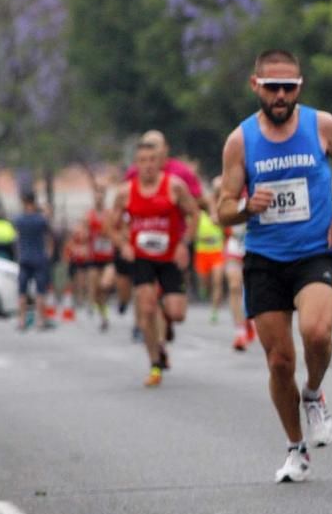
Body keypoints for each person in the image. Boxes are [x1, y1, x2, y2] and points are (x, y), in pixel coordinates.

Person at [217, 48, 332, 484]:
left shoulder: (322, 125)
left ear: (299, 87)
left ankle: (314, 392)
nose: (281, 96)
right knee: (280, 360)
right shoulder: (240, 141)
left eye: (289, 88)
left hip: (313, 252)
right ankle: (295, 448)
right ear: (255, 86)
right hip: (265, 259)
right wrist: (246, 207)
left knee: (317, 333)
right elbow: (222, 208)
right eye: (272, 88)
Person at [110, 140, 201, 386]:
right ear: (136, 164)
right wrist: (124, 245)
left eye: (153, 160)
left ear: (160, 162)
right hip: (142, 258)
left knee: (177, 313)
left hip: (170, 257)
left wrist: (184, 244)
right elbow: (111, 224)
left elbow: (194, 214)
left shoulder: (174, 187)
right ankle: (155, 363)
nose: (148, 166)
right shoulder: (126, 192)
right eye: (143, 161)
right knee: (146, 309)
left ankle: (166, 317)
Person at [212, 175, 256, 352]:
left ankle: (250, 320)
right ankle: (239, 332)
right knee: (234, 285)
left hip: (258, 243)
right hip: (235, 244)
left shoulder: (259, 177)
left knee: (253, 288)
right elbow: (217, 201)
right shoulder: (226, 182)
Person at [12, 194, 55, 331]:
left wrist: (18, 254)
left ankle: (22, 321)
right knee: (40, 291)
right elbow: (49, 236)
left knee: (22, 292)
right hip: (39, 258)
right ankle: (40, 321)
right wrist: (48, 254)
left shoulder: (18, 220)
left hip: (24, 258)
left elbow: (16, 239)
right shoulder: (40, 220)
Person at [86, 180, 117, 332]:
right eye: (96, 195)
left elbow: (116, 230)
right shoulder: (89, 215)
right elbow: (83, 233)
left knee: (104, 286)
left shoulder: (110, 214)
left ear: (104, 197)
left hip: (108, 257)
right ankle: (101, 315)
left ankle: (105, 300)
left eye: (101, 195)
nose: (98, 198)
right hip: (94, 257)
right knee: (95, 289)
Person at [193, 207, 227, 317]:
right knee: (205, 281)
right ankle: (204, 289)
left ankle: (214, 311)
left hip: (217, 253)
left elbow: (227, 232)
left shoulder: (219, 214)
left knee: (217, 282)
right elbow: (192, 232)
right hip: (202, 253)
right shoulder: (199, 215)